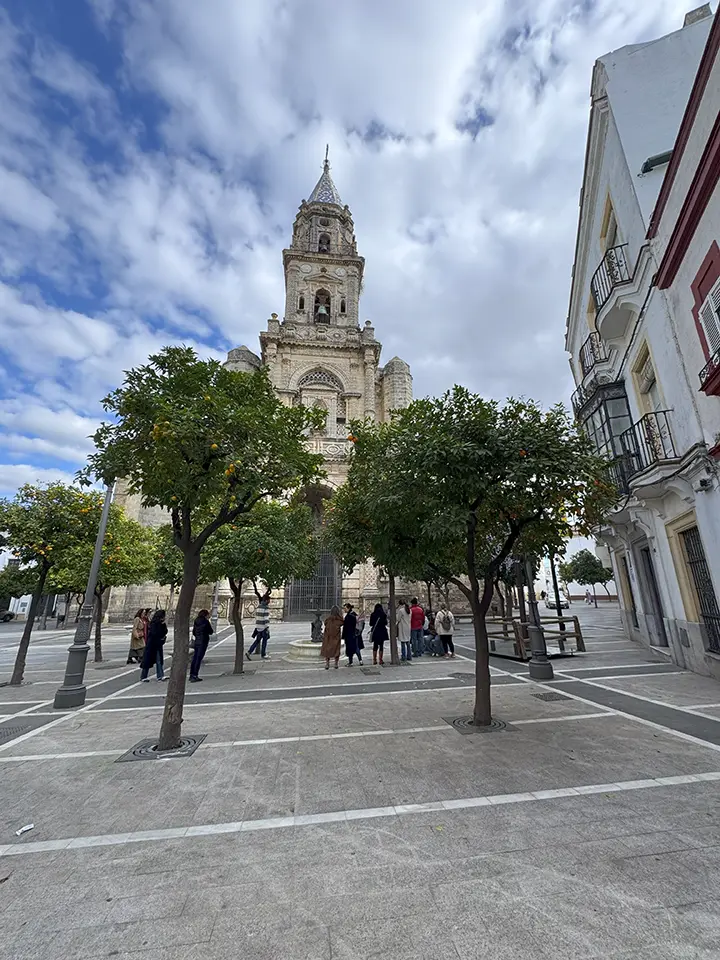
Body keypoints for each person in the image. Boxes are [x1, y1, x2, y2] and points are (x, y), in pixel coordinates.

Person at [141, 610, 168, 681]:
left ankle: (160, 675)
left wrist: (163, 625)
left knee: (159, 660)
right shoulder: (154, 623)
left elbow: (165, 631)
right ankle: (143, 676)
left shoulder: (161, 624)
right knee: (147, 661)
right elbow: (154, 633)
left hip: (158, 644)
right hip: (152, 645)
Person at [190, 608, 213, 682]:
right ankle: (195, 675)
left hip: (197, 641)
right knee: (198, 659)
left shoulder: (196, 620)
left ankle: (192, 674)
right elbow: (211, 631)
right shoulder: (205, 622)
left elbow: (194, 632)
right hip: (203, 641)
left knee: (195, 658)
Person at [247, 591, 271, 660]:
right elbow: (266, 618)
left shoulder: (259, 607)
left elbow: (256, 616)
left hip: (258, 627)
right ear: (266, 600)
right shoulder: (265, 607)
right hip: (263, 627)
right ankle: (263, 654)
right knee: (264, 641)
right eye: (269, 600)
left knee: (257, 641)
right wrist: (267, 627)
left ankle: (249, 652)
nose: (269, 601)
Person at [322, 605, 344, 669]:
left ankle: (327, 664)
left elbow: (325, 623)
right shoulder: (339, 620)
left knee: (327, 650)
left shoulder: (328, 619)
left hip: (328, 637)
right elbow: (342, 622)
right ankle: (336, 664)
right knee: (336, 650)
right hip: (336, 637)